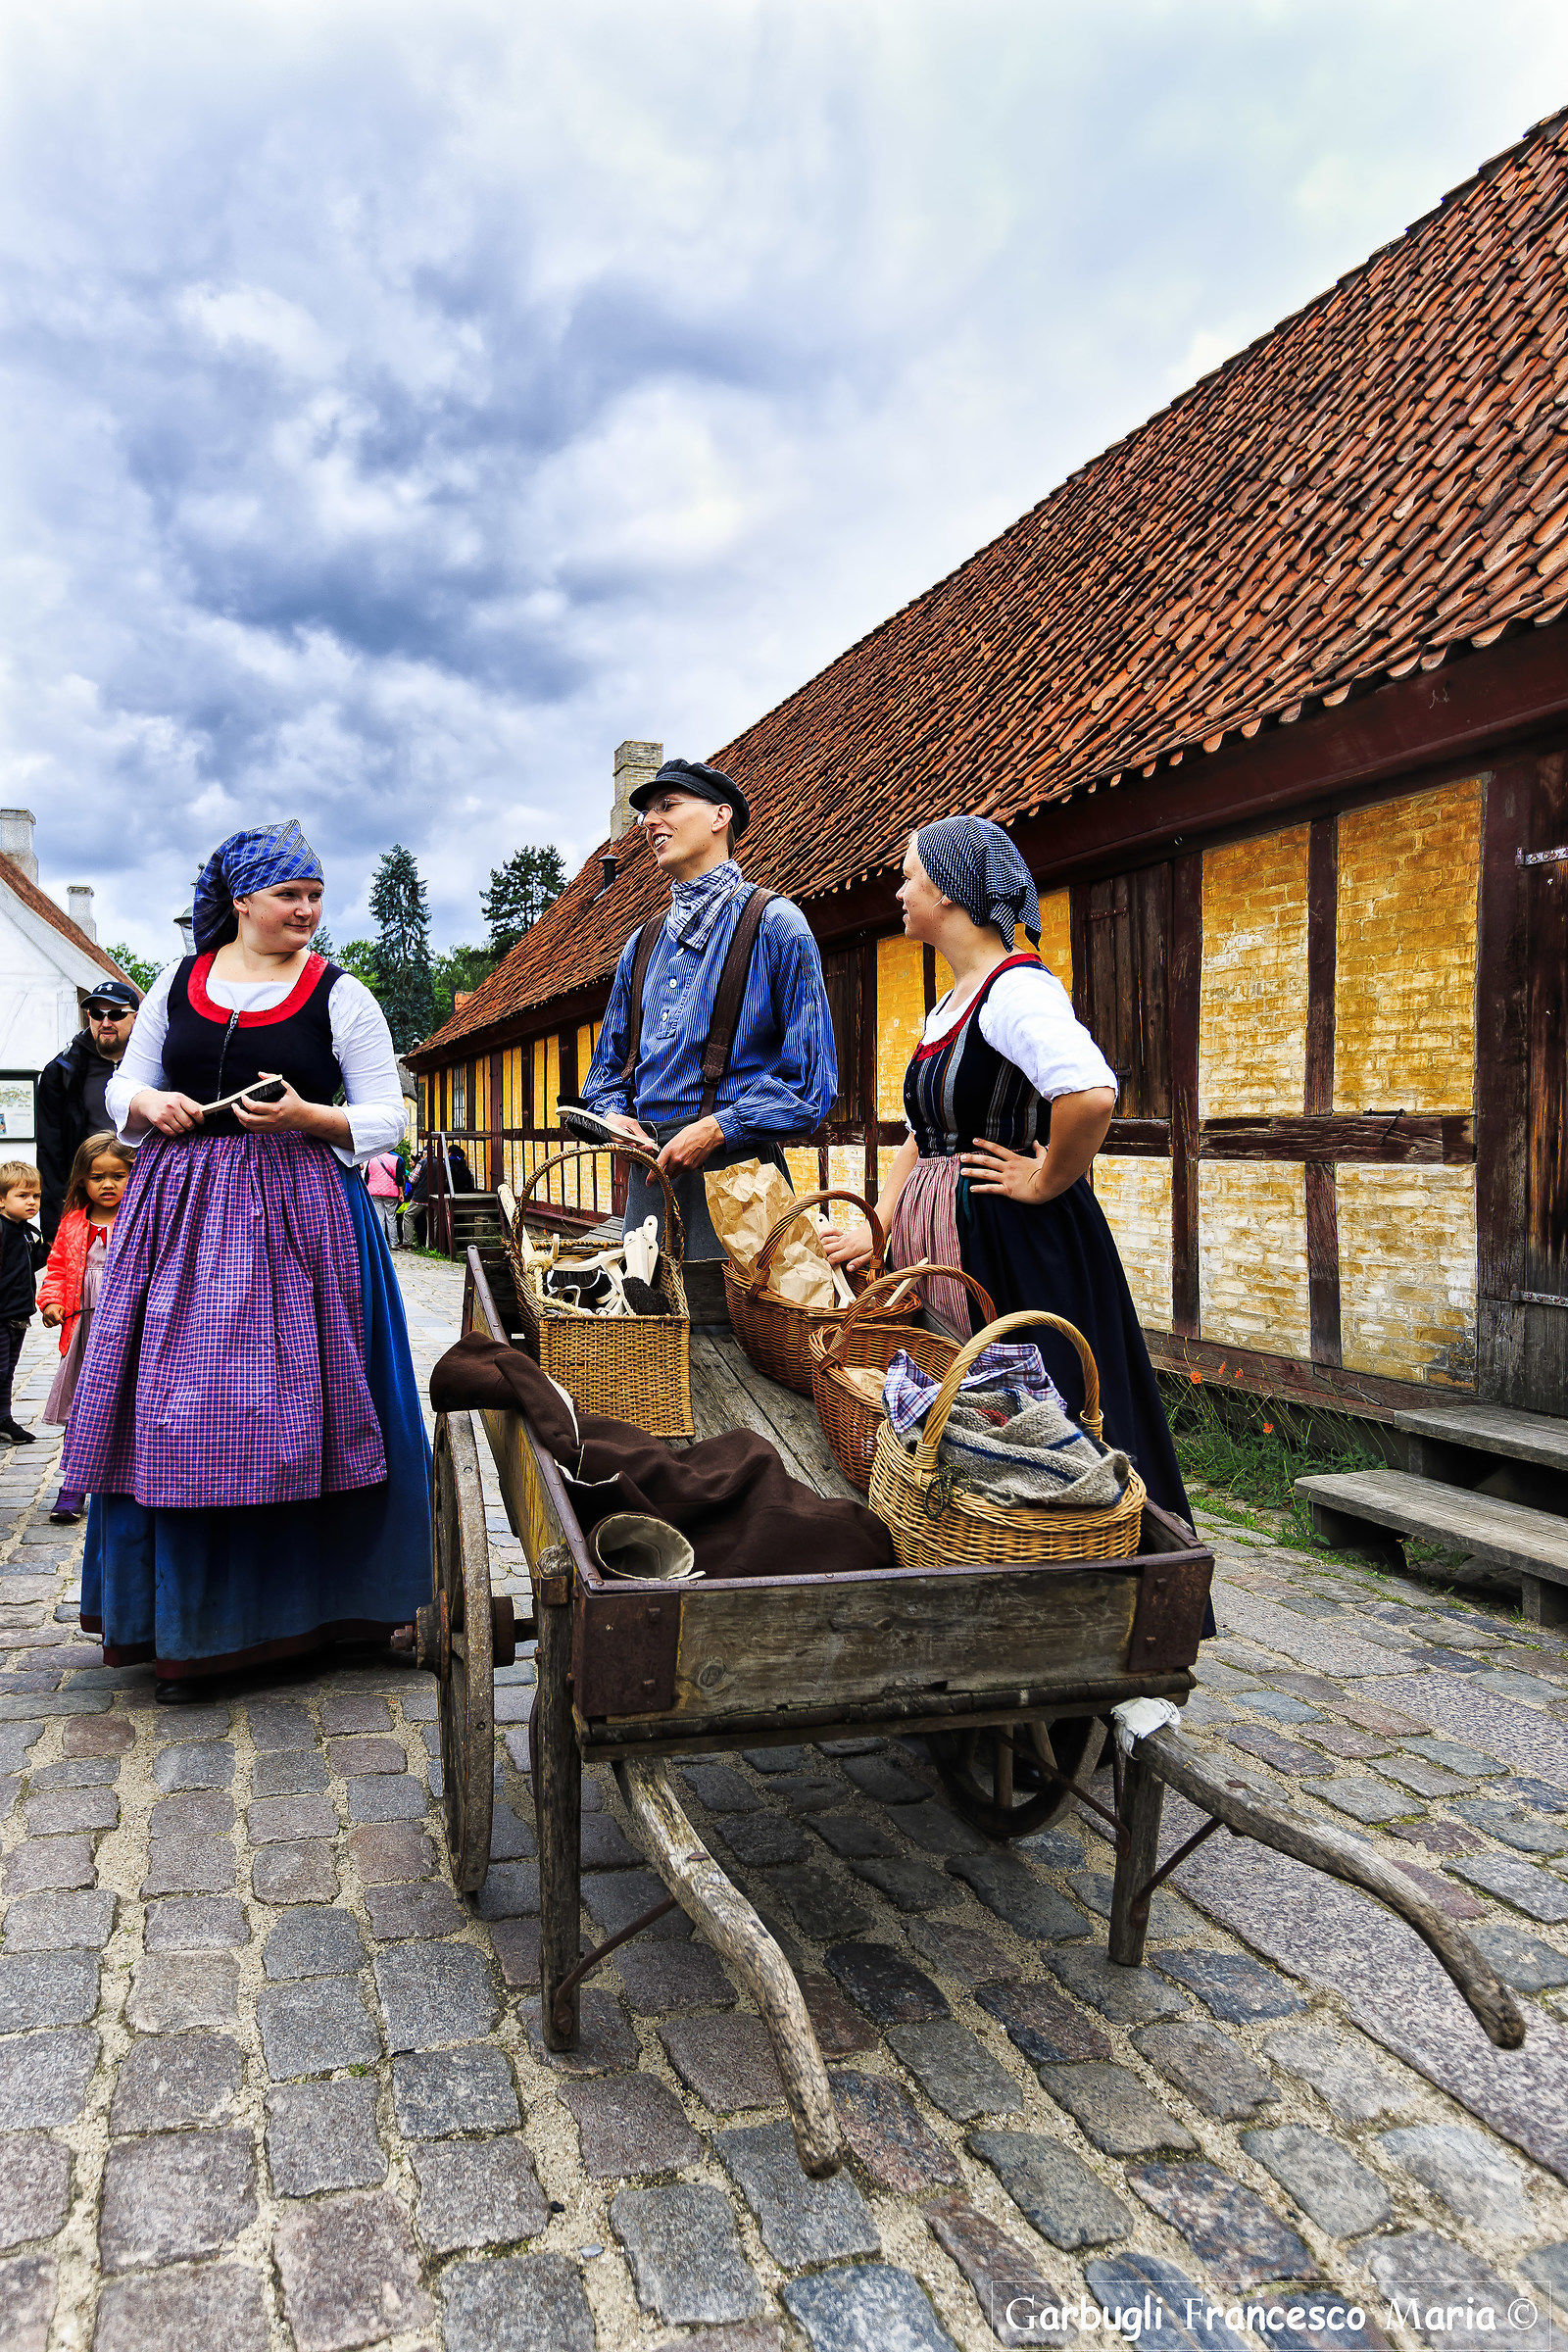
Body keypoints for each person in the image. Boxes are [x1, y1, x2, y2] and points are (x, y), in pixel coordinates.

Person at [59, 819, 432, 1700]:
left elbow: (389, 1115)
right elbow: (123, 1087)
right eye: (289, 898)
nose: (306, 912)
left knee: (314, 1405)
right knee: (176, 1411)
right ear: (241, 903)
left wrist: (308, 1116)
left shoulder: (340, 994)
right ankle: (187, 1622)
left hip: (302, 1220)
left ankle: (333, 1608)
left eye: (315, 898)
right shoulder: (177, 984)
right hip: (181, 1218)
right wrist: (153, 1101)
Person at [823, 814, 1191, 1527]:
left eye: (909, 875)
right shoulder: (953, 1001)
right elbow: (924, 1136)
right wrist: (882, 1229)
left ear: (951, 893)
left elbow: (1089, 1093)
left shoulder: (1018, 992)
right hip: (956, 1235)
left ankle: (1089, 1554)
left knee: (1045, 1403)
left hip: (1013, 1237)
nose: (899, 891)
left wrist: (1046, 1177)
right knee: (980, 1406)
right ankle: (982, 1539)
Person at [580, 756, 838, 1266]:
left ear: (720, 817)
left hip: (740, 1181)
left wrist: (718, 1128)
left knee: (734, 1339)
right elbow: (604, 1075)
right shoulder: (641, 943)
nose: (651, 822)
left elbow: (813, 1084)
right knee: (646, 1337)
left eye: (668, 805)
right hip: (650, 1184)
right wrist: (612, 1118)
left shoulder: (776, 924)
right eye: (646, 813)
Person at [38, 1132, 134, 1521]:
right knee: (84, 1406)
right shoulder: (74, 1223)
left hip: (131, 1329)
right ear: (82, 1180)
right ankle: (73, 1485)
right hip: (87, 1333)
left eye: (118, 1175)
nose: (108, 1184)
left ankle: (132, 1476)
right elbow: (58, 1267)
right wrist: (52, 1301)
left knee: (130, 1403)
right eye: (97, 1177)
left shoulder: (141, 1218)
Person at [37, 980, 142, 1243]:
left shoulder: (157, 1065)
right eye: (97, 1014)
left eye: (116, 1014)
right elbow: (51, 1153)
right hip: (88, 1203)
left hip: (145, 1198)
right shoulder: (61, 1071)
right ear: (89, 1017)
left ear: (136, 1017)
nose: (106, 1022)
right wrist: (55, 1228)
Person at [0, 1161, 47, 1446]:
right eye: (22, 1195)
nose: (32, 1202)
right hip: (1, 1315)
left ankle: (4, 1418)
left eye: (36, 1196)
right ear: (1, 1200)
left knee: (8, 1371)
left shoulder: (28, 1232)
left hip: (18, 1315)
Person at [366, 1145, 403, 1250]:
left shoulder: (372, 1159)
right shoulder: (395, 1159)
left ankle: (382, 1244)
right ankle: (394, 1243)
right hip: (391, 1192)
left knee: (379, 1217)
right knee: (391, 1218)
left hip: (374, 1191)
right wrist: (401, 1193)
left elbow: (367, 1177)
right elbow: (399, 1178)